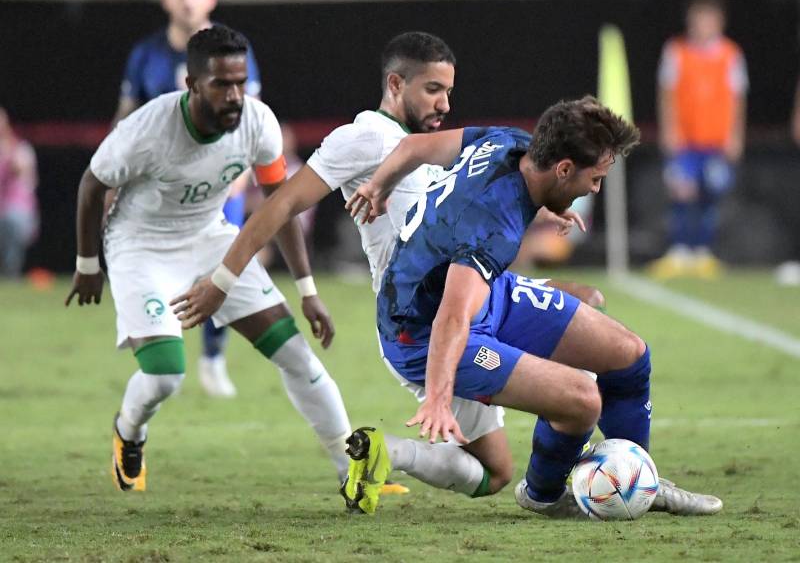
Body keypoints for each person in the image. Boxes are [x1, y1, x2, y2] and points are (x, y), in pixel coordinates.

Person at [167, 32, 617, 499]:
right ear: (396, 84)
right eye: (433, 90)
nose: (444, 103)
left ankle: (404, 451)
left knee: (583, 308)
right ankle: (571, 464)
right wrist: (224, 281)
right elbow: (279, 206)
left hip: (478, 294)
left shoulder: (429, 143)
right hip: (421, 317)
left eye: (448, 91)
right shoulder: (363, 140)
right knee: (501, 467)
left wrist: (547, 203)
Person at [339, 96, 723, 518]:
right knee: (582, 400)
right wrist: (438, 397)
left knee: (628, 355)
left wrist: (379, 185)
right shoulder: (492, 225)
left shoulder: (511, 142)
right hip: (423, 335)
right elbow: (452, 315)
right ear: (562, 169)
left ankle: (638, 477)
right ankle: (544, 494)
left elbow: (412, 148)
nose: (594, 190)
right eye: (594, 179)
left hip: (483, 293)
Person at [65, 26, 352, 492]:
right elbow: (91, 186)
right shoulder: (148, 129)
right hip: (141, 246)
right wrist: (87, 265)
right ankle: (128, 433)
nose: (235, 94)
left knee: (297, 355)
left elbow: (281, 204)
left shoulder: (259, 123)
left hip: (210, 239)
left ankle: (351, 469)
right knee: (165, 376)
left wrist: (307, 290)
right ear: (192, 85)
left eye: (240, 82)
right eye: (221, 84)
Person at [113, 0, 262, 396]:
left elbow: (250, 113)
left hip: (219, 178)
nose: (188, 0)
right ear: (166, 0)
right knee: (160, 268)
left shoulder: (236, 49)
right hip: (162, 183)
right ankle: (163, 358)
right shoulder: (146, 52)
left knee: (221, 272)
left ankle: (213, 359)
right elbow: (126, 115)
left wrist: (243, 172)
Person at [649, 0, 748, 280]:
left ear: (719, 22)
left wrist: (735, 135)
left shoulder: (731, 54)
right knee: (681, 191)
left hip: (715, 141)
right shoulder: (676, 51)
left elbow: (737, 98)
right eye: (698, 19)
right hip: (685, 141)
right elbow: (667, 94)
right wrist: (669, 129)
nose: (703, 25)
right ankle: (680, 250)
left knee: (712, 192)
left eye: (709, 20)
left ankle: (703, 251)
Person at [0, 107, 39, 278]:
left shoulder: (20, 149)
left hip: (16, 210)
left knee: (12, 220)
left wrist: (9, 156)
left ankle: (11, 274)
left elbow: (26, 177)